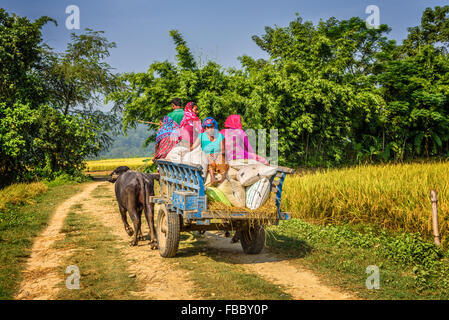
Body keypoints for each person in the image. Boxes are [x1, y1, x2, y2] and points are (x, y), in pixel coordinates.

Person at [191, 117, 227, 186]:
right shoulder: (201, 136)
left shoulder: (220, 136)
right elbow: (193, 147)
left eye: (212, 127)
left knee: (221, 159)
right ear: (205, 128)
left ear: (214, 127)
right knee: (208, 158)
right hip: (206, 158)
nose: (210, 129)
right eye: (207, 127)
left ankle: (223, 177)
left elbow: (223, 151)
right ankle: (212, 177)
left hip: (218, 157)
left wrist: (216, 153)